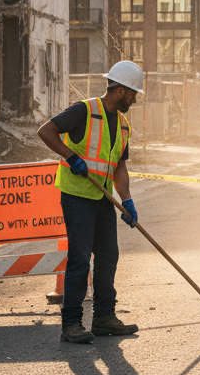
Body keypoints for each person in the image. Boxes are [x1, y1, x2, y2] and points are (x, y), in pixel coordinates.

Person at [37, 60, 144, 344]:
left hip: (102, 199)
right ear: (120, 91)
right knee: (80, 261)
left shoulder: (123, 126)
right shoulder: (83, 110)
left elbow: (119, 166)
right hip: (77, 197)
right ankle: (71, 323)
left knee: (109, 257)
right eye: (133, 93)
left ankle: (104, 318)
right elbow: (46, 131)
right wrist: (71, 157)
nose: (135, 99)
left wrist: (128, 201)